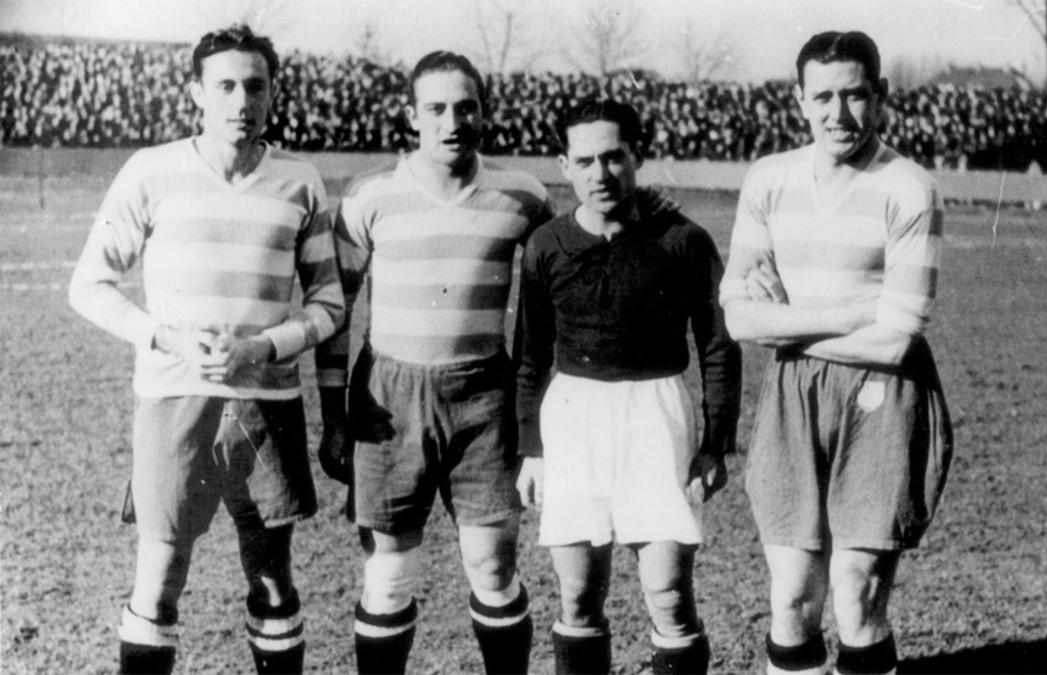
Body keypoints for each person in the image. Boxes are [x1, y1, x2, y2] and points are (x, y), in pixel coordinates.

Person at [67, 25, 344, 674]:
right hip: (173, 401)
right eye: (225, 85)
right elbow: (89, 284)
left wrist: (264, 345)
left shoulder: (300, 182)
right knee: (160, 571)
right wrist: (165, 336)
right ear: (196, 92)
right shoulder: (150, 170)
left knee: (271, 575)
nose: (241, 99)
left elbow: (330, 302)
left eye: (256, 85)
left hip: (264, 403)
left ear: (273, 93)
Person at [313, 51, 556, 675]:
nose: (453, 121)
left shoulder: (523, 198)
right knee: (389, 572)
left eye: (466, 106)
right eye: (437, 108)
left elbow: (547, 308)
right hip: (390, 398)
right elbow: (335, 316)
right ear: (412, 115)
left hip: (483, 393)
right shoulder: (370, 198)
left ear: (485, 111)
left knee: (494, 566)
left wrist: (535, 417)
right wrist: (335, 418)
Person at [719, 31, 953, 675]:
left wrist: (786, 322)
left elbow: (897, 335)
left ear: (880, 98)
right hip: (794, 391)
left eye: (854, 95)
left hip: (883, 392)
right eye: (822, 96)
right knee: (792, 595)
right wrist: (846, 312)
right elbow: (738, 316)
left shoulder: (909, 188)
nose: (838, 113)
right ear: (799, 101)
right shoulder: (768, 179)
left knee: (856, 592)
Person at [514, 99, 742, 674]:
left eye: (614, 157)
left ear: (636, 155)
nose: (601, 173)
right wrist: (531, 450)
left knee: (668, 594)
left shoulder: (683, 241)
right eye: (585, 160)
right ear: (564, 165)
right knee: (578, 598)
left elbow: (718, 345)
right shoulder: (547, 245)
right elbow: (531, 354)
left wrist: (715, 443)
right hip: (573, 418)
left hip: (656, 415)